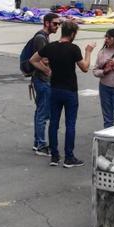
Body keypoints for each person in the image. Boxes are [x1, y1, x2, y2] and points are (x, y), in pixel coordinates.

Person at [30, 20, 95, 167]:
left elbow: (33, 59)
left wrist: (47, 70)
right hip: (70, 90)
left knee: (54, 123)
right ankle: (69, 157)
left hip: (54, 89)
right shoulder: (73, 48)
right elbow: (85, 67)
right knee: (70, 124)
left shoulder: (50, 47)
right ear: (72, 34)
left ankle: (54, 156)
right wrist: (88, 52)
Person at [29, 13, 60, 156]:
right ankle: (41, 145)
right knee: (43, 113)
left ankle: (38, 142)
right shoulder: (41, 38)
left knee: (40, 111)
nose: (57, 26)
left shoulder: (43, 37)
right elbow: (35, 59)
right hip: (42, 80)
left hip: (40, 79)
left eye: (58, 24)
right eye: (55, 24)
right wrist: (48, 71)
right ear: (47, 23)